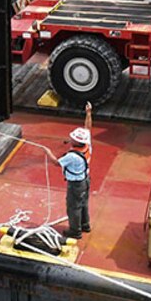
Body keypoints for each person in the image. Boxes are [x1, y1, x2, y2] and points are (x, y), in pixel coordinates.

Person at [43, 102, 93, 239]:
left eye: (72, 139)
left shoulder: (71, 157)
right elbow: (87, 128)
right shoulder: (88, 146)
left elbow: (56, 163)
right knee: (84, 203)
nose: (70, 139)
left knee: (73, 207)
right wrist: (88, 113)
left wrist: (47, 152)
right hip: (86, 180)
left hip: (76, 184)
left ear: (76, 142)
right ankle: (85, 225)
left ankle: (75, 231)